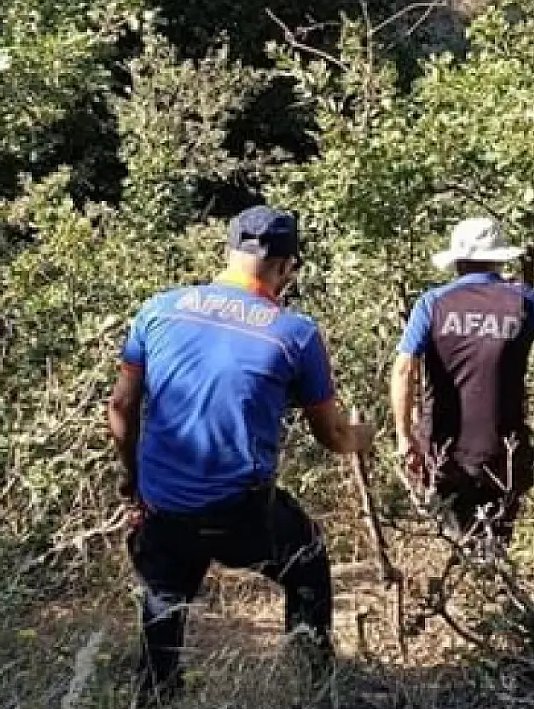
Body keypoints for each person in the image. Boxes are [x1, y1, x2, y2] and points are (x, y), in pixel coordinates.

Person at [107, 205, 374, 703]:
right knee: (308, 558)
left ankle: (155, 691)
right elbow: (334, 438)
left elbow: (121, 406)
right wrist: (367, 435)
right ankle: (316, 683)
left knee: (164, 596)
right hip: (240, 512)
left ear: (228, 252)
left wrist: (133, 483)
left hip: (163, 504)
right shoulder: (294, 333)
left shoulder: (159, 309)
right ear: (286, 266)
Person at [389, 217, 534, 554]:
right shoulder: (526, 301)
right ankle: (492, 596)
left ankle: (467, 597)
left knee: (456, 543)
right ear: (499, 259)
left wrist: (405, 437)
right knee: (495, 546)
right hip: (503, 450)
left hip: (442, 450)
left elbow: (404, 370)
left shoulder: (432, 303)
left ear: (457, 261)